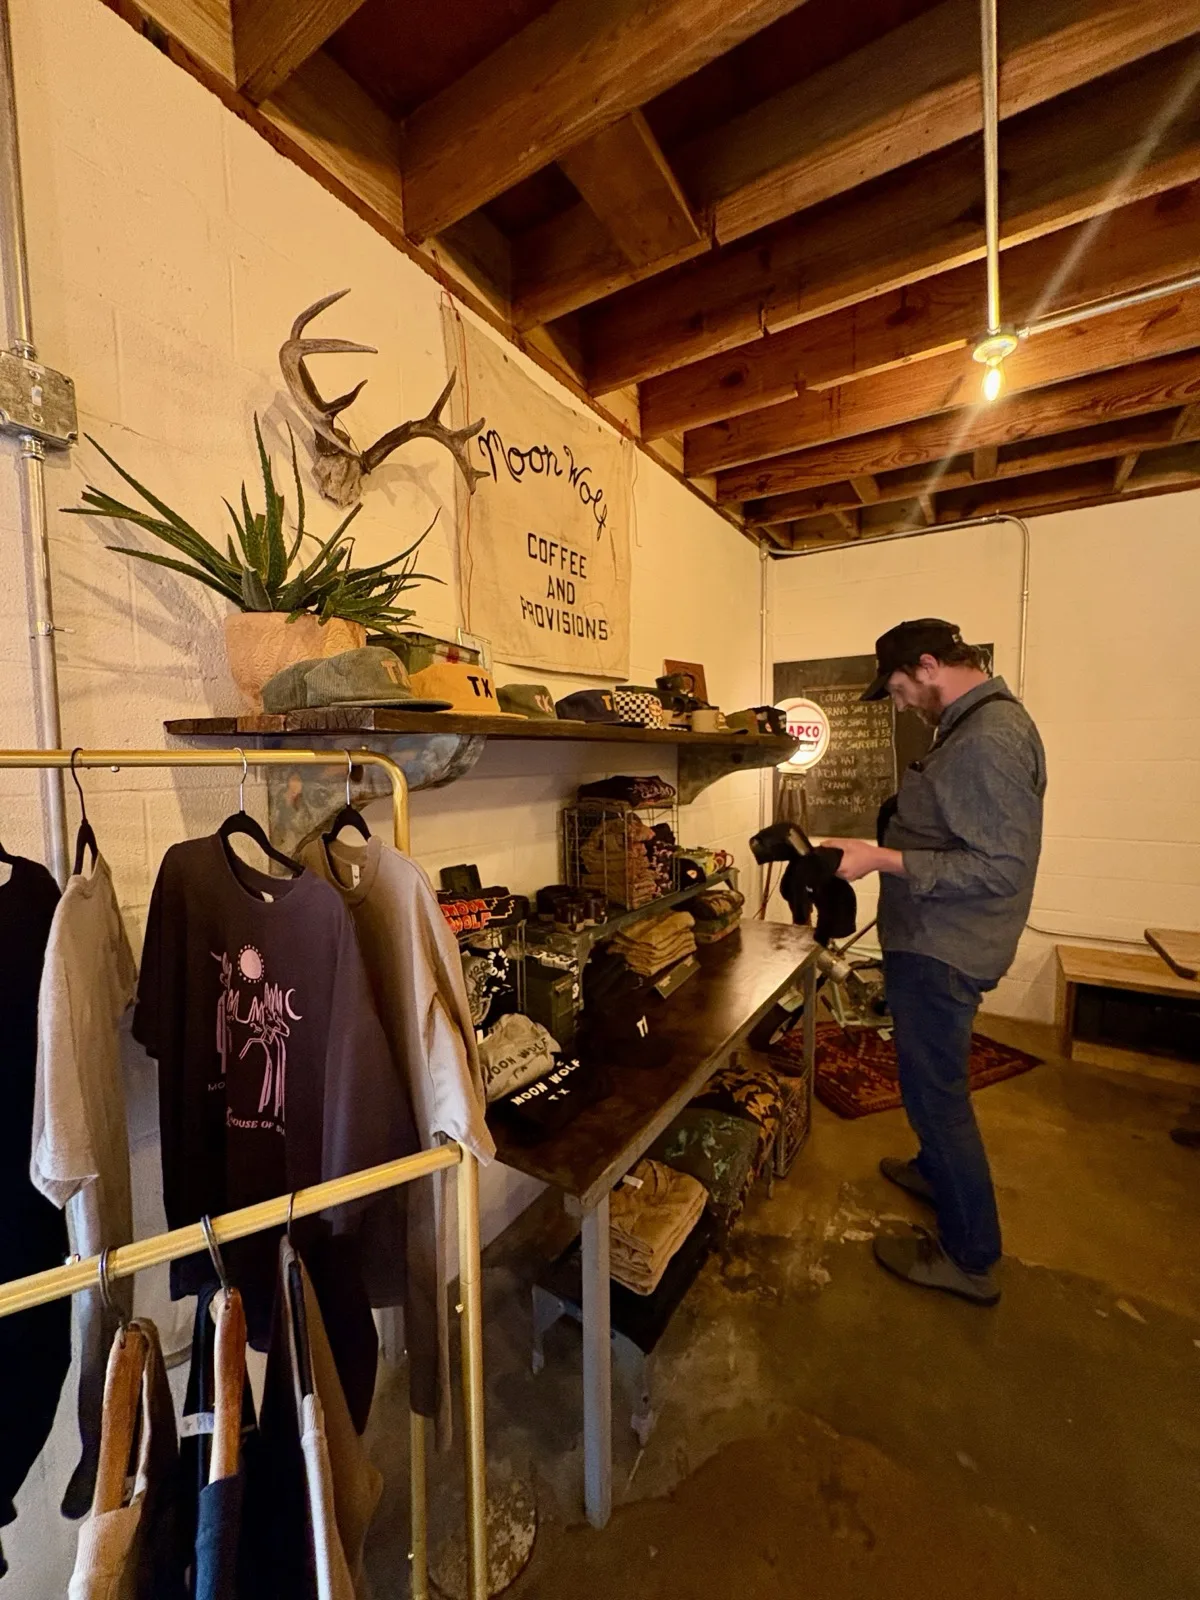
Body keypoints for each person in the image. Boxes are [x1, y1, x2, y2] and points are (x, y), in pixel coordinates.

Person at [825, 619, 1046, 1307]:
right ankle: (932, 1169)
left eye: (898, 690)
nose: (899, 705)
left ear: (927, 666)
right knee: (926, 1083)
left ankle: (971, 1258)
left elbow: (999, 869)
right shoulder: (971, 725)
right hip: (933, 938)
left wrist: (880, 858)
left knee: (937, 1096)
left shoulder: (989, 738)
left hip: (944, 949)